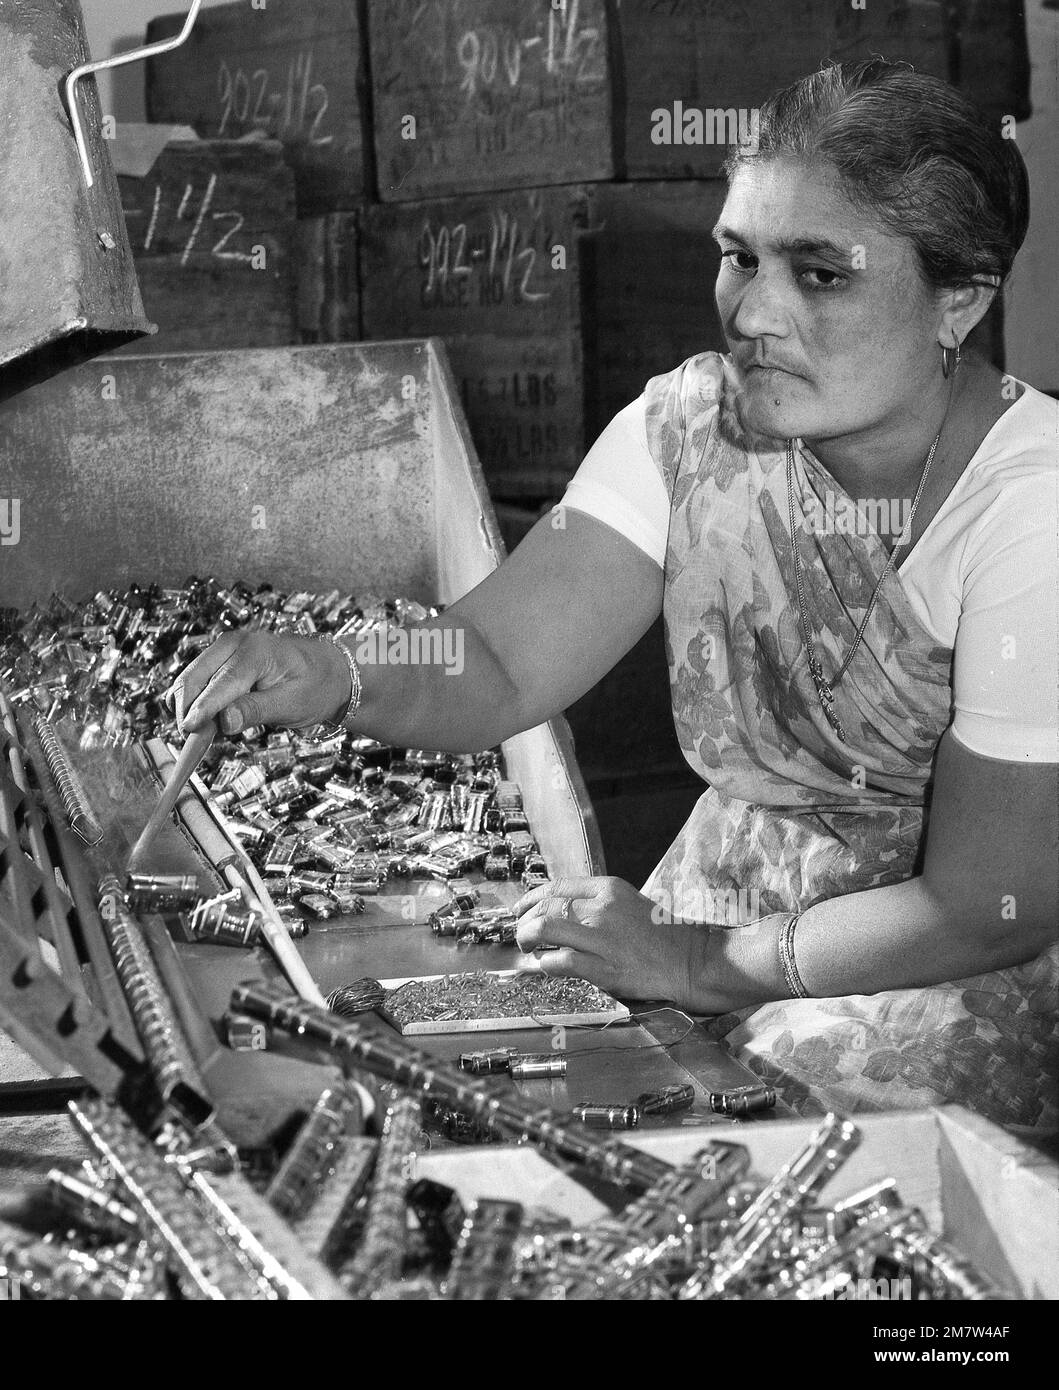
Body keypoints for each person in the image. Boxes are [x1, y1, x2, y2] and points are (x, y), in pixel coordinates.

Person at [169, 62, 1059, 1137]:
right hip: (724, 902)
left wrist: (696, 960)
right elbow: (498, 662)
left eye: (822, 275)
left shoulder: (1029, 510)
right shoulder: (693, 430)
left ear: (959, 300)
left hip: (940, 963)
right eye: (740, 258)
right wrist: (338, 673)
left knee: (756, 1152)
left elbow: (985, 903)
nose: (757, 314)